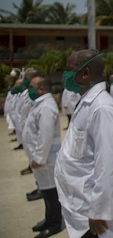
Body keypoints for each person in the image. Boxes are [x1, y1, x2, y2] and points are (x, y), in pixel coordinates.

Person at [55, 49, 113, 237]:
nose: (66, 74)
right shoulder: (87, 102)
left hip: (90, 210)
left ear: (85, 73)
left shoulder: (102, 108)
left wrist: (99, 211)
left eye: (69, 69)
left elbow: (108, 164)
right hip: (78, 203)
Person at [21, 76, 64, 238]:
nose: (29, 91)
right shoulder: (40, 104)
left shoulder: (46, 107)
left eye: (32, 87)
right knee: (46, 192)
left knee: (51, 193)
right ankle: (48, 219)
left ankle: (55, 223)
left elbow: (45, 136)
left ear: (41, 89)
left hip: (47, 159)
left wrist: (39, 158)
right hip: (43, 159)